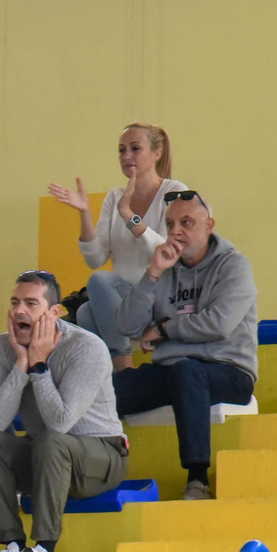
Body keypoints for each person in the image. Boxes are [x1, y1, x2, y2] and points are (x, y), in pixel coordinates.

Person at [0, 272, 128, 552]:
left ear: (54, 313)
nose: (19, 311)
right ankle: (12, 546)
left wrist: (39, 365)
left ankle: (45, 549)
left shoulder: (86, 347)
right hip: (45, 454)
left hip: (101, 454)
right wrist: (21, 364)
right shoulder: (0, 347)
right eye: (15, 302)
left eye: (31, 303)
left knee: (52, 440)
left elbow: (60, 423)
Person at [114, 191, 258, 501]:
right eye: (170, 224)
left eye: (186, 222)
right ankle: (96, 471)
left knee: (186, 372)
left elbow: (218, 324)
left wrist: (164, 329)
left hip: (228, 370)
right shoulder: (165, 266)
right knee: (104, 389)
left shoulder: (234, 266)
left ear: (209, 226)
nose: (176, 231)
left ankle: (197, 480)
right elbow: (126, 325)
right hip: (171, 372)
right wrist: (153, 273)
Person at [48, 123, 188, 372]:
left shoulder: (175, 192)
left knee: (99, 281)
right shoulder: (114, 197)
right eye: (122, 150)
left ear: (156, 153)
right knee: (85, 312)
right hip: (125, 304)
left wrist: (129, 216)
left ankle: (123, 368)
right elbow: (95, 258)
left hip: (159, 300)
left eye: (135, 148)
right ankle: (114, 378)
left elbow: (169, 252)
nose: (126, 156)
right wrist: (84, 213)